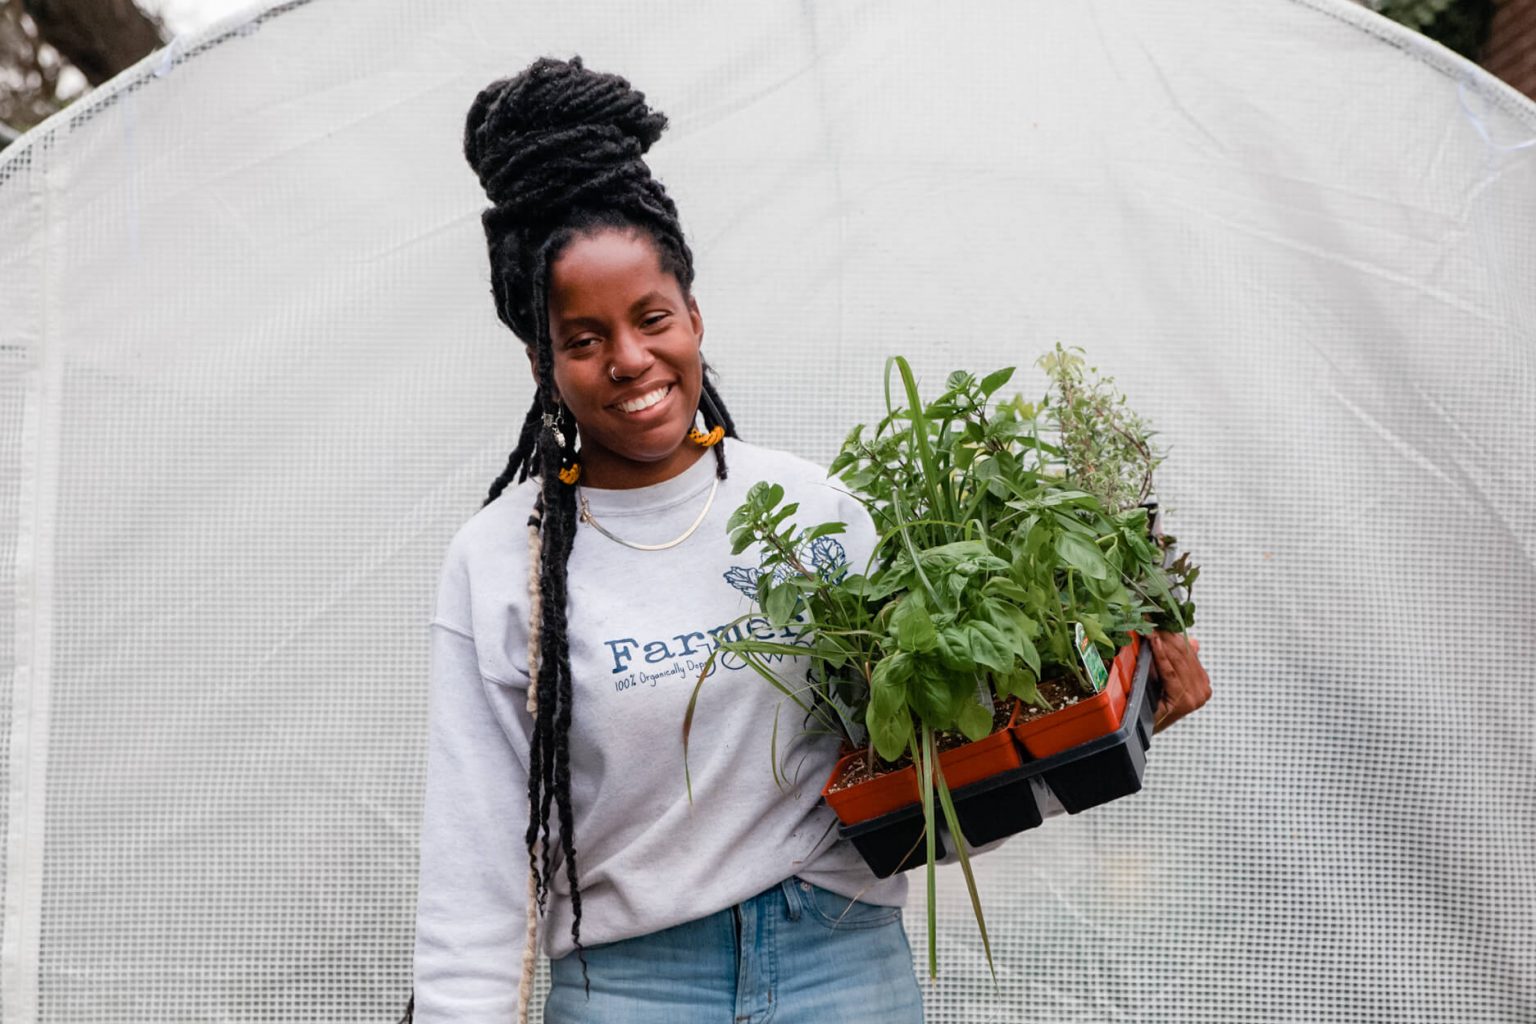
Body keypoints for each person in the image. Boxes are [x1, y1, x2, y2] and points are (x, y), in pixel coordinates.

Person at [404, 54, 1211, 1024]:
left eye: (652, 317)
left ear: (694, 313)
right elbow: (475, 881)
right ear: (541, 357)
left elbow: (926, 787)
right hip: (630, 990)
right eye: (583, 339)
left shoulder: (818, 510)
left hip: (841, 967)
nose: (630, 359)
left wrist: (1107, 709)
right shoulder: (504, 565)